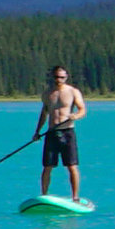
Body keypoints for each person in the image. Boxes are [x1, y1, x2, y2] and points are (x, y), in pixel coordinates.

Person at [37, 65, 87, 199]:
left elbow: (82, 110)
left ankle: (75, 197)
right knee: (47, 166)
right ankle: (44, 196)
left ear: (66, 77)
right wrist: (37, 132)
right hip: (51, 133)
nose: (59, 80)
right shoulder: (47, 93)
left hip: (68, 132)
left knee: (72, 166)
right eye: (56, 77)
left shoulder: (73, 92)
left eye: (62, 77)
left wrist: (75, 116)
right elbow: (44, 113)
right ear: (53, 77)